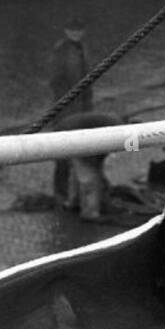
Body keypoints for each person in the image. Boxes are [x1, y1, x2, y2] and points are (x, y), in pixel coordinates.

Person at [50, 20, 94, 203]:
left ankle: (76, 192)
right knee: (63, 152)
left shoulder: (82, 48)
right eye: (73, 31)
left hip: (82, 107)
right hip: (66, 108)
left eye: (79, 30)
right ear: (66, 31)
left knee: (81, 151)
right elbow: (55, 80)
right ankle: (60, 192)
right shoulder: (61, 50)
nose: (76, 34)